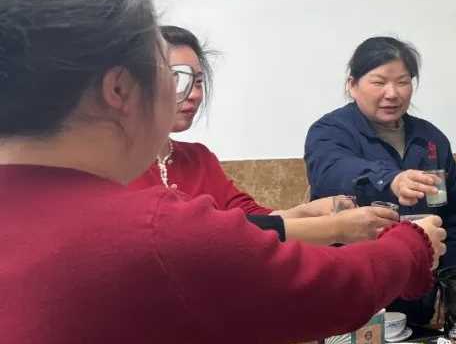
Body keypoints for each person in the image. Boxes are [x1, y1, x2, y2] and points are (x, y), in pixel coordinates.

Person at [0, 0, 447, 344]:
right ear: (119, 89)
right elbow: (336, 288)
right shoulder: (153, 232)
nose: (185, 94)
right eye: (170, 76)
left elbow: (246, 223)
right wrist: (411, 244)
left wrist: (304, 217)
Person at [127, 26, 401, 245]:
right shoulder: (117, 166)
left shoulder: (199, 158)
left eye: (199, 82)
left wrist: (304, 212)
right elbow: (205, 233)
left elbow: (247, 217)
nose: (195, 93)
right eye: (178, 79)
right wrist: (332, 228)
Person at [305, 37, 456, 325]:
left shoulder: (431, 139)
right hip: (353, 290)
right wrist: (390, 179)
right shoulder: (330, 131)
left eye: (402, 82)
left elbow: (452, 218)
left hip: (416, 290)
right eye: (379, 82)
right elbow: (330, 171)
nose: (392, 93)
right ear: (352, 84)